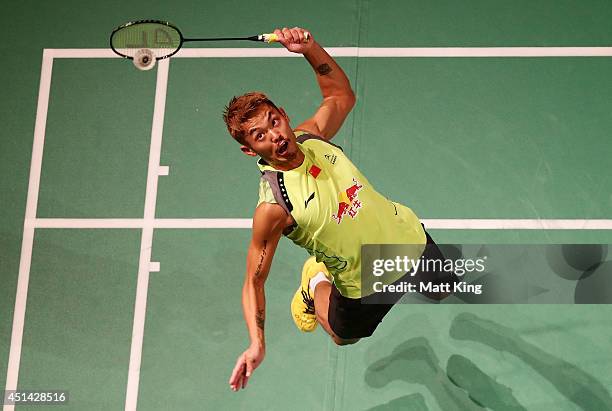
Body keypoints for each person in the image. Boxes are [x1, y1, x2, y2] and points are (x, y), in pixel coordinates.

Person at [225, 27, 451, 392]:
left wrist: (309, 48)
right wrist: (257, 342)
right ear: (250, 151)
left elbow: (341, 95)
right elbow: (254, 280)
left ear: (283, 114)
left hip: (407, 240)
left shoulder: (312, 136)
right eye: (260, 136)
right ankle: (314, 283)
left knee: (442, 288)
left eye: (273, 122)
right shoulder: (274, 206)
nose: (276, 135)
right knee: (343, 338)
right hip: (361, 285)